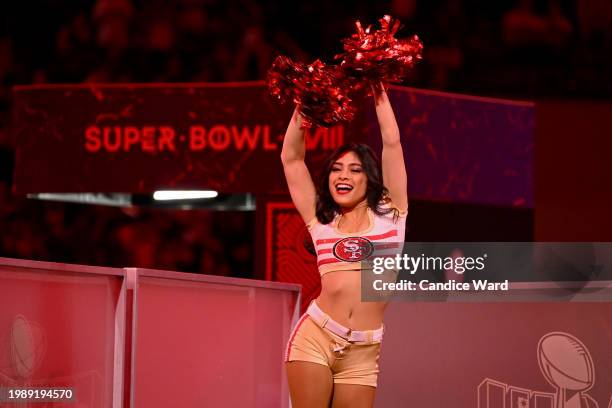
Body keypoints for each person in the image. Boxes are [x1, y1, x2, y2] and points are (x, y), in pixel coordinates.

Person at [281, 86, 408, 408]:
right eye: (336, 169)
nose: (343, 175)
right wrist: (303, 107)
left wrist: (378, 90)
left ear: (370, 178)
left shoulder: (391, 216)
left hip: (364, 352)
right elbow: (292, 159)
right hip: (316, 338)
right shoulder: (321, 222)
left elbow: (392, 143)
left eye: (354, 169)